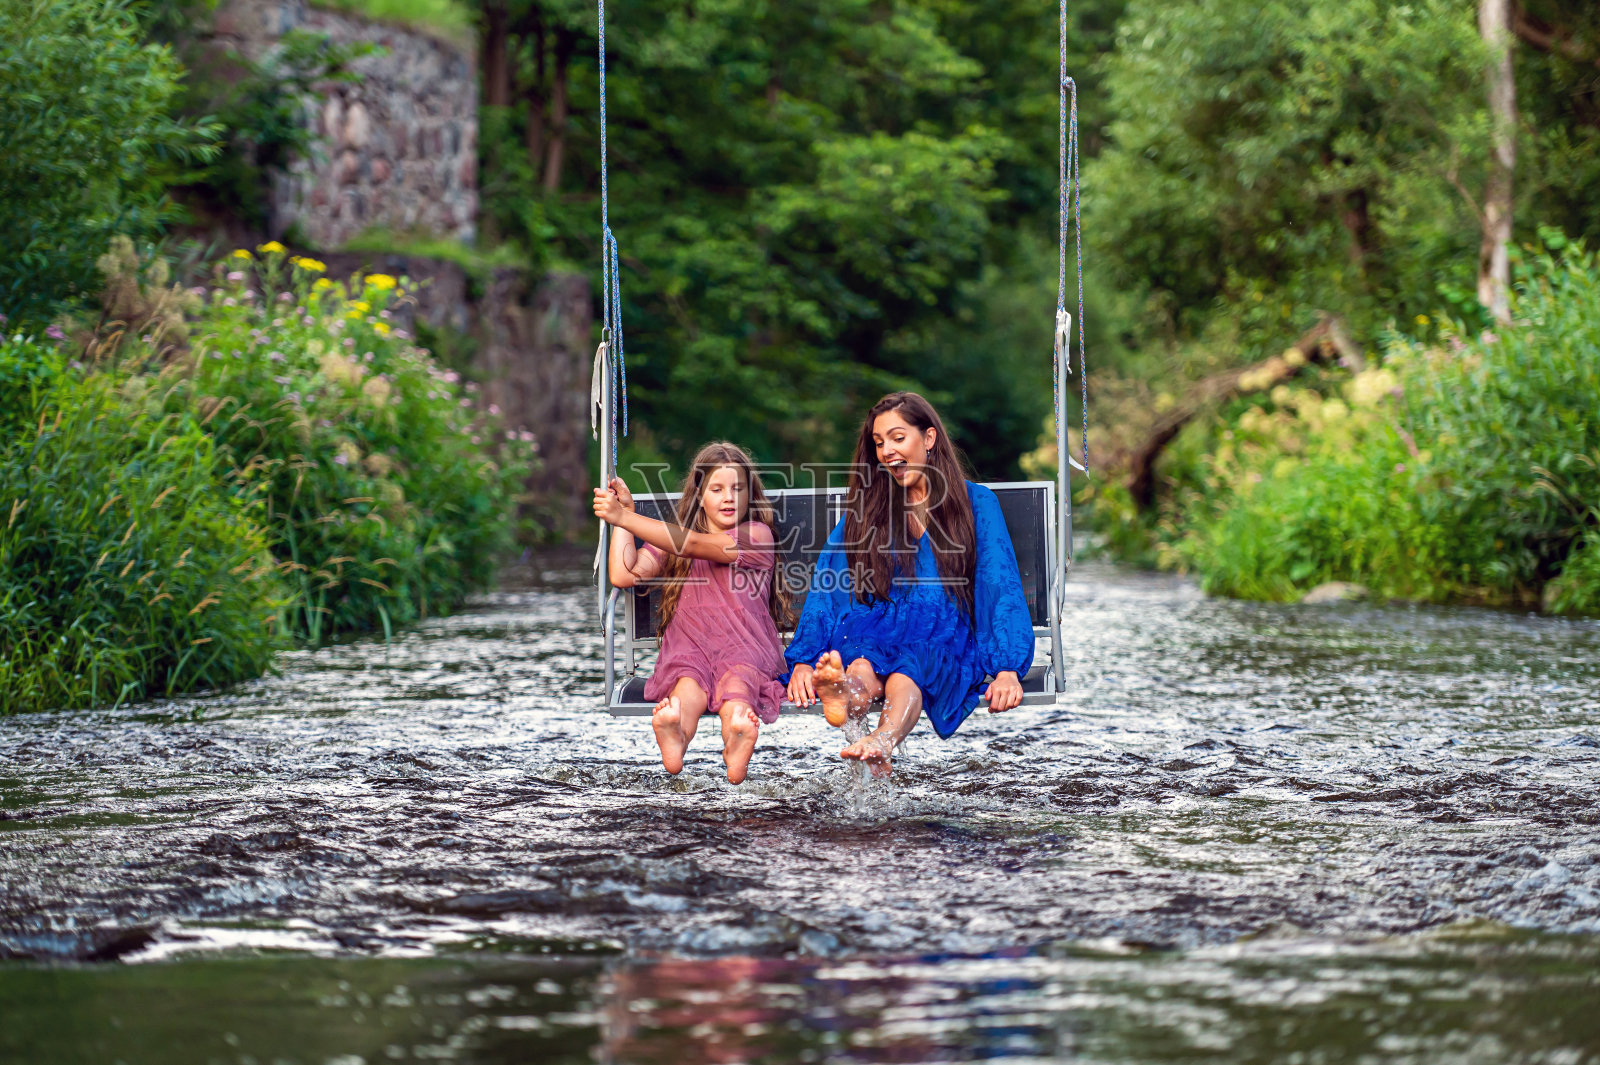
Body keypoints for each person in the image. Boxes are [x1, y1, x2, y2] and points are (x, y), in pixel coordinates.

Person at [784, 392, 1033, 775]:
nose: (886, 451)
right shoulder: (870, 508)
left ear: (929, 439)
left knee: (911, 664)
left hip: (944, 629)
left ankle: (883, 738)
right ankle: (843, 694)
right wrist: (805, 658)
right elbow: (826, 584)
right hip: (879, 622)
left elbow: (999, 585)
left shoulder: (975, 503)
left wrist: (1007, 668)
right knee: (862, 659)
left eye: (898, 438)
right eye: (879, 443)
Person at [594, 442, 790, 784]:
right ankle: (676, 736)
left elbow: (696, 545)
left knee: (738, 688)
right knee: (687, 688)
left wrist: (625, 517)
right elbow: (624, 575)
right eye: (717, 489)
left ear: (750, 495)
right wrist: (623, 519)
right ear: (700, 495)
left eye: (738, 489)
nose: (728, 497)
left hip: (744, 648)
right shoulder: (670, 544)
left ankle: (736, 742)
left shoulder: (756, 536)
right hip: (690, 648)